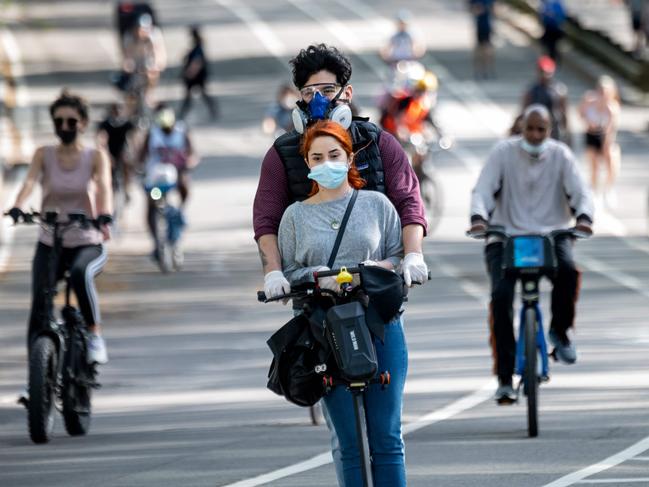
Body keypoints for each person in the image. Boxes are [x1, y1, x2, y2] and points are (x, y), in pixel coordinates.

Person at [253, 43, 428, 486]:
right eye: (309, 90)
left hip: (379, 313)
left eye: (328, 88)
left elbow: (408, 205)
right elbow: (267, 220)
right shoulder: (283, 156)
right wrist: (275, 273)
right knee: (347, 442)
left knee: (387, 436)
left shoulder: (380, 148)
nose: (318, 97)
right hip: (321, 319)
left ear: (346, 94)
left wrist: (412, 257)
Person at [278, 120, 406, 486]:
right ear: (307, 163)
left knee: (386, 437)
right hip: (325, 332)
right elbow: (289, 270)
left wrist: (379, 268)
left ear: (349, 157)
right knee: (348, 442)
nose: (326, 162)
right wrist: (317, 275)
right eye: (317, 157)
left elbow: (397, 254)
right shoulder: (295, 216)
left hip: (380, 324)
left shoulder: (377, 205)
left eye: (334, 154)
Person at [468, 104, 594, 404]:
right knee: (500, 299)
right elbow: (483, 190)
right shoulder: (503, 153)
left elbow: (581, 192)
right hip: (505, 234)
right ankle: (504, 379)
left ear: (549, 130)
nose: (535, 135)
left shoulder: (561, 155)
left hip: (551, 233)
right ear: (521, 128)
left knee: (569, 272)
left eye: (542, 129)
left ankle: (560, 333)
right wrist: (478, 217)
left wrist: (584, 217)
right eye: (530, 129)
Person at [7, 90, 113, 367]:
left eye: (71, 121)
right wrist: (17, 205)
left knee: (80, 273)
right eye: (59, 121)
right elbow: (29, 182)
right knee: (40, 304)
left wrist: (104, 215)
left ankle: (94, 335)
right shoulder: (44, 154)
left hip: (87, 240)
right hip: (50, 240)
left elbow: (103, 186)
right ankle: (36, 378)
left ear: (83, 123)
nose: (64, 127)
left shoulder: (95, 156)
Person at [138, 104, 197, 259]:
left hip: (175, 176)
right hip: (156, 177)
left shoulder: (182, 131)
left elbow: (192, 154)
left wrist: (188, 163)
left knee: (185, 185)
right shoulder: (151, 134)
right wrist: (139, 168)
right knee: (151, 204)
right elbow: (141, 156)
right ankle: (157, 243)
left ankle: (180, 211)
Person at [579, 75, 621, 207]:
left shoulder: (612, 108)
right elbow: (581, 113)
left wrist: (606, 144)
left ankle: (608, 188)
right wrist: (588, 122)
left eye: (605, 91)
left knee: (611, 161)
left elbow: (612, 129)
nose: (602, 94)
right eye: (601, 90)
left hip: (605, 136)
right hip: (591, 135)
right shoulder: (589, 100)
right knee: (594, 164)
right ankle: (594, 190)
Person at [122, 13, 167, 111]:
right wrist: (127, 65)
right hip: (136, 64)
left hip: (149, 63)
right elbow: (127, 55)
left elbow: (159, 52)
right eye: (140, 29)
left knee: (152, 75)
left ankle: (150, 94)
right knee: (129, 90)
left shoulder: (155, 35)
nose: (142, 32)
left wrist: (157, 65)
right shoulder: (129, 36)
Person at [522, 55, 570, 144]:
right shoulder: (531, 91)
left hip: (554, 129)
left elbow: (564, 113)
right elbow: (524, 112)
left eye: (548, 72)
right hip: (536, 129)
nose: (545, 75)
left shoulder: (559, 90)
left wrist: (567, 133)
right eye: (542, 72)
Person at [96, 102, 136, 204]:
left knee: (127, 166)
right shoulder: (106, 124)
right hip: (111, 151)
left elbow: (132, 138)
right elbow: (101, 139)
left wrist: (131, 151)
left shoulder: (126, 124)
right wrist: (106, 154)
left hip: (123, 151)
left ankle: (127, 189)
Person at [179, 25, 218, 121]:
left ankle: (183, 113)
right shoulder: (197, 46)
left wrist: (189, 73)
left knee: (194, 95)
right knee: (193, 95)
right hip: (198, 76)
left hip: (197, 76)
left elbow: (197, 62)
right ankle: (183, 113)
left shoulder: (198, 48)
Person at [468, 0, 495, 79]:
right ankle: (478, 70)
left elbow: (493, 10)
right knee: (479, 50)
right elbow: (472, 9)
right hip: (479, 26)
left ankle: (487, 70)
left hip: (487, 26)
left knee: (487, 49)